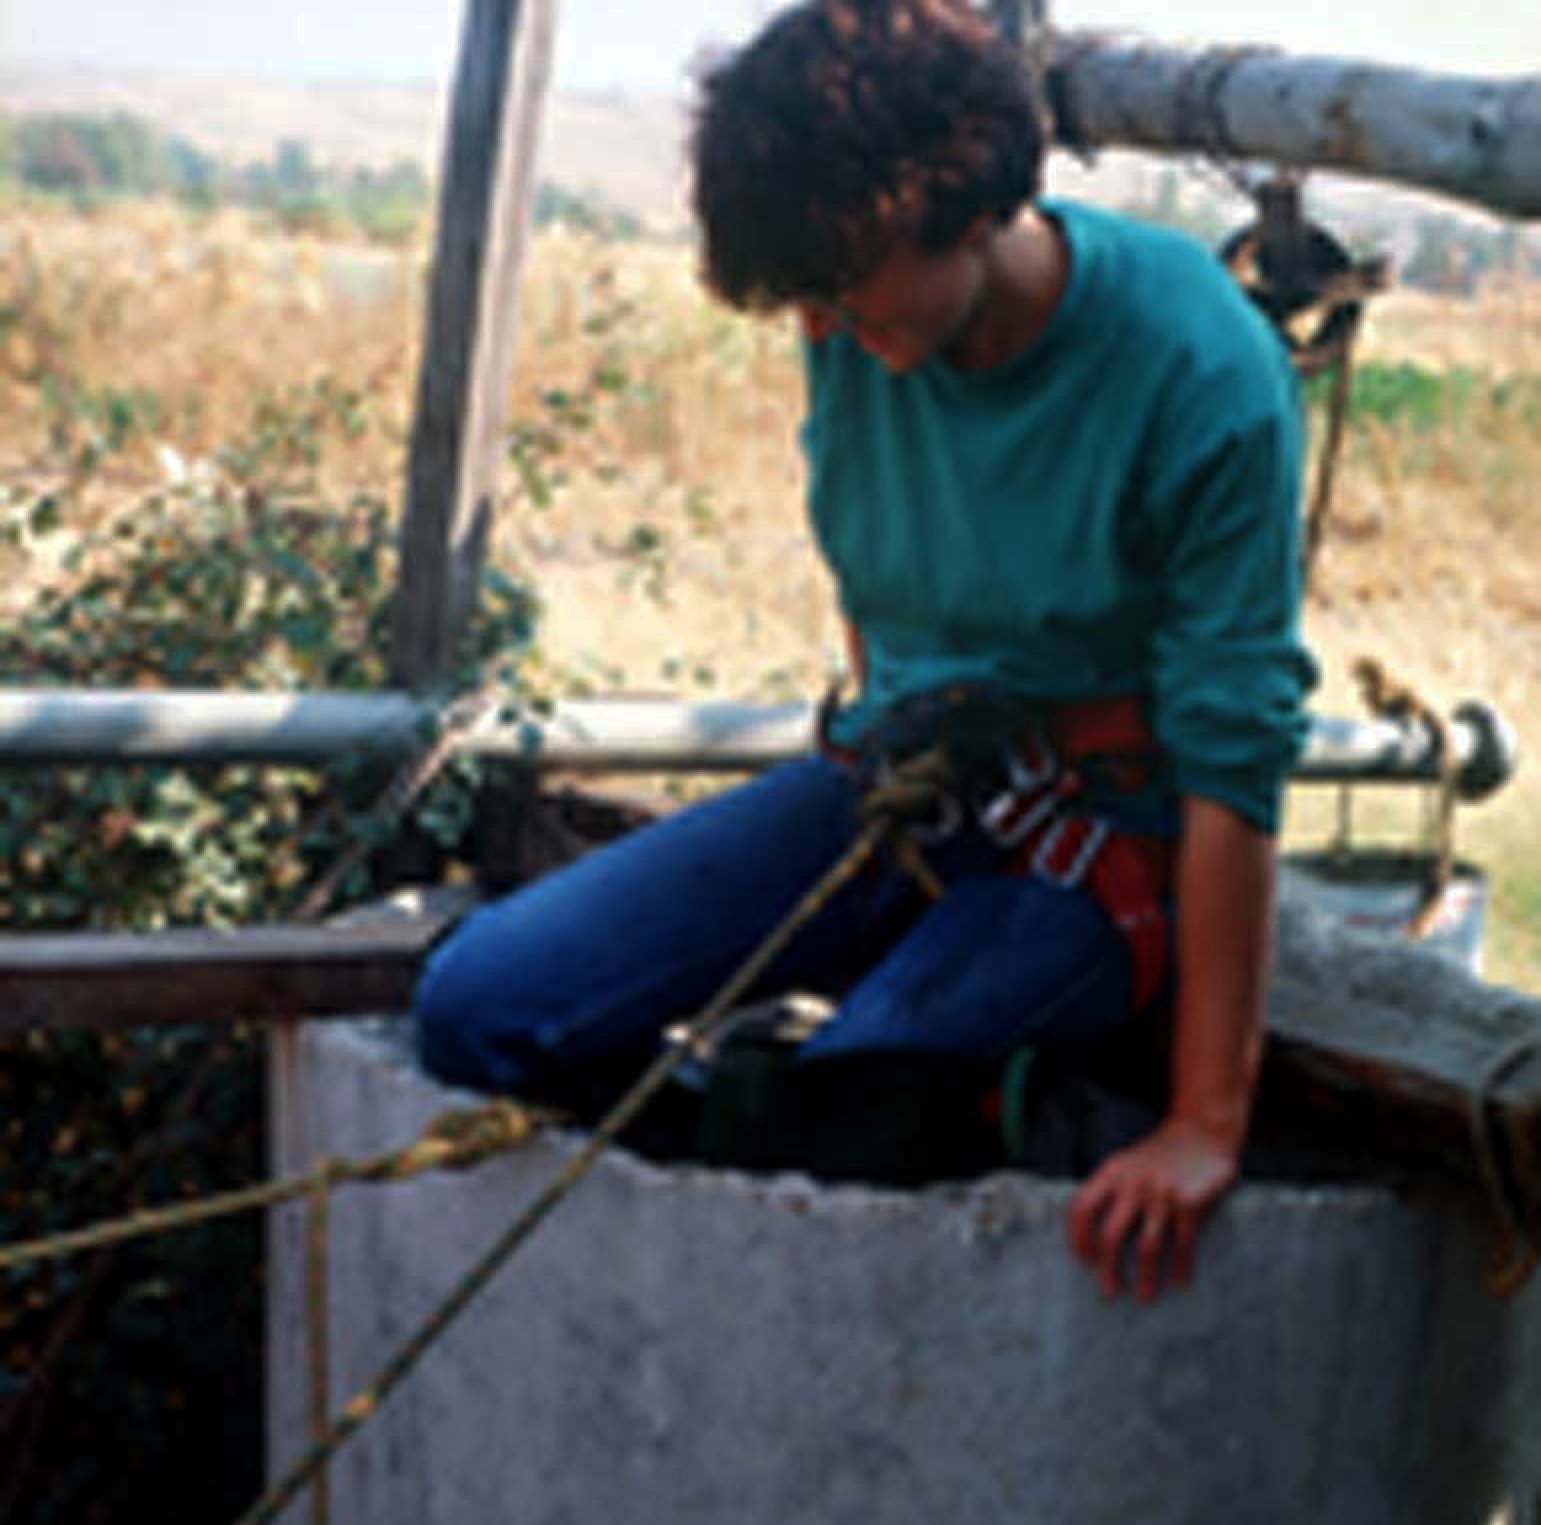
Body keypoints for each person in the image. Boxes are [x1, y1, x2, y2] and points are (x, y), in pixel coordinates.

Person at [414, 0, 1316, 1302]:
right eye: (803, 300)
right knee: (477, 1005)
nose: (821, 330)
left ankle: (889, 1093)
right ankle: (743, 1127)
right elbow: (885, 597)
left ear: (971, 202)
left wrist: (1203, 1123)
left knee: (845, 1114)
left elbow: (1236, 765)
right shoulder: (859, 319)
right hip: (901, 790)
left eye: (841, 289)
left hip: (1100, 848)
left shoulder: (1199, 367)